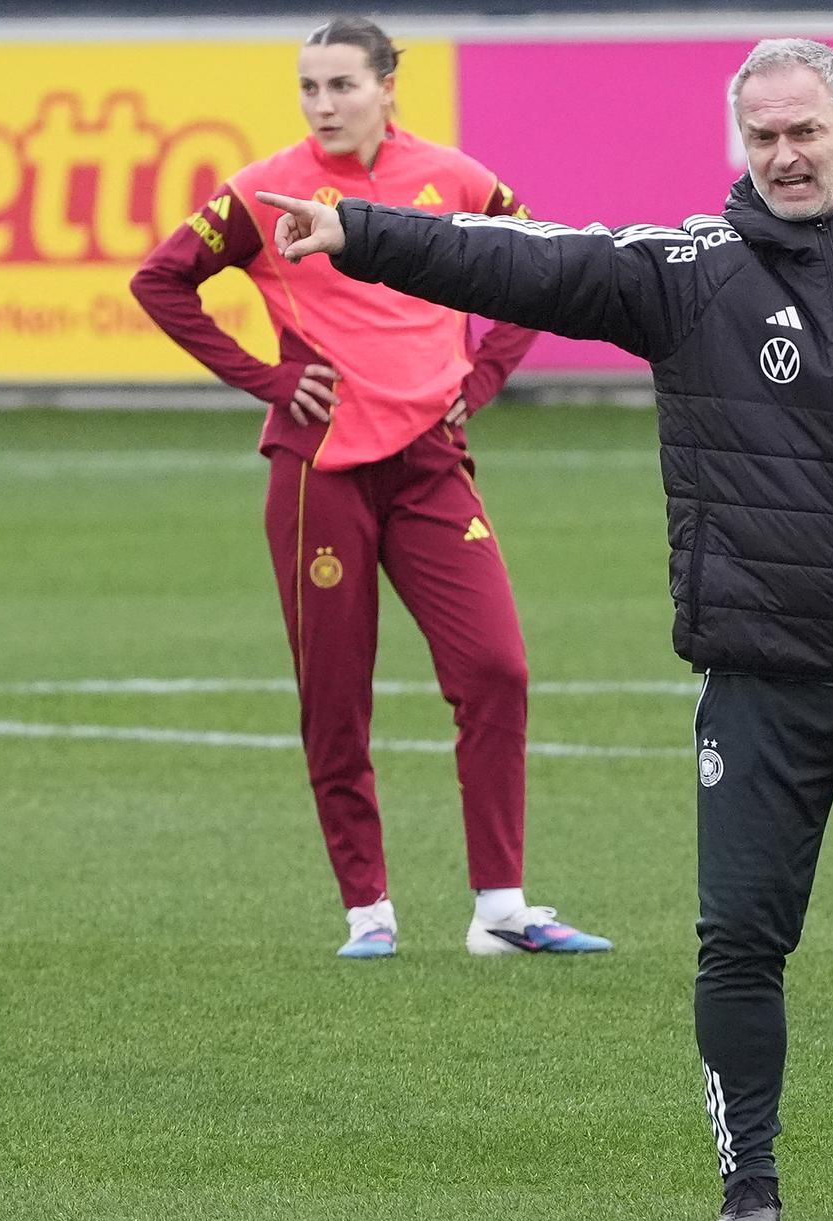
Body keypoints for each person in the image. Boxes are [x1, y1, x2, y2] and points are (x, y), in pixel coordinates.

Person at [257, 37, 833, 1221]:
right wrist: (362, 232)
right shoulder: (689, 272)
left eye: (804, 131)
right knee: (741, 944)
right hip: (759, 678)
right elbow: (526, 259)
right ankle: (748, 1186)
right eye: (763, 136)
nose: (785, 155)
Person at [131, 18, 610, 961]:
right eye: (309, 88)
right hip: (321, 474)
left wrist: (483, 376)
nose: (324, 105)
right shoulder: (266, 189)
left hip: (432, 464)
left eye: (342, 85)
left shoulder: (456, 178)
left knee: (497, 669)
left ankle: (501, 909)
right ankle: (368, 911)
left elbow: (541, 263)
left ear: (389, 86)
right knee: (336, 696)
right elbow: (161, 281)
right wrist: (268, 380)